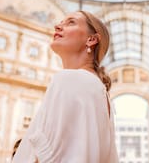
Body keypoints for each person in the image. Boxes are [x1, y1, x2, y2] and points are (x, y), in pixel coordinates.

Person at [12, 11, 119, 163]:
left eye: (71, 22)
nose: (57, 26)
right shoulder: (98, 90)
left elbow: (49, 158)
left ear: (91, 39)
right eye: (61, 22)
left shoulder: (69, 79)